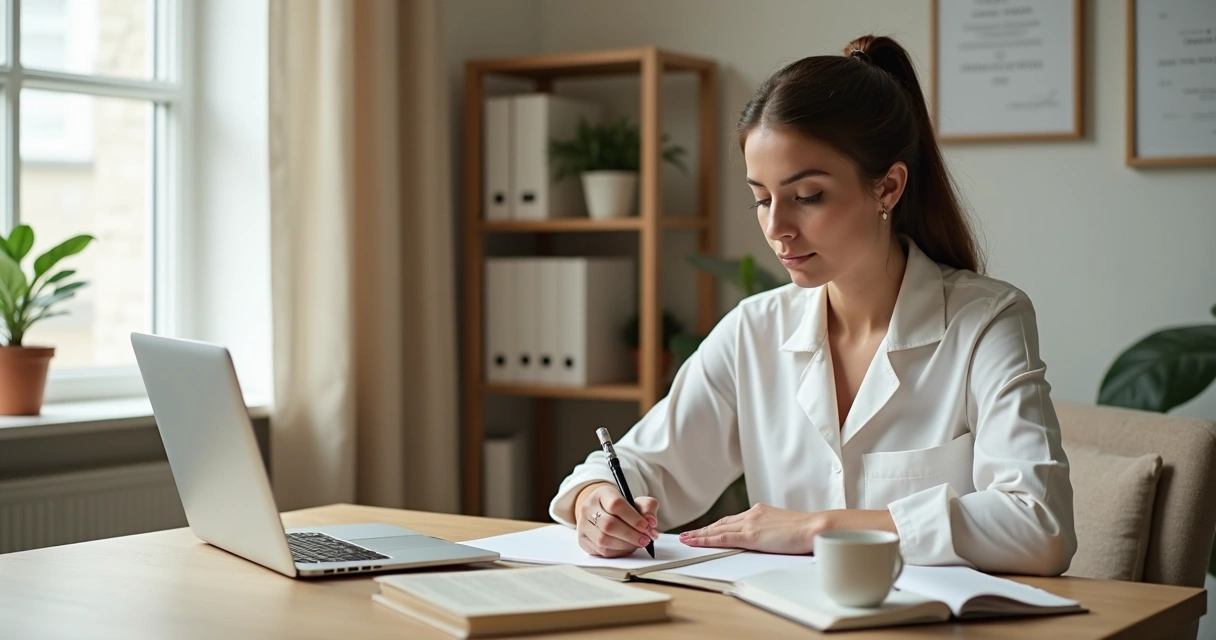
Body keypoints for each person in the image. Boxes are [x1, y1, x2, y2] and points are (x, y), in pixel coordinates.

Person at [548, 35, 1076, 575]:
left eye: (807, 197)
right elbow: (641, 465)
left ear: (888, 188)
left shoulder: (986, 322)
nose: (776, 228)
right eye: (761, 198)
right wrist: (596, 502)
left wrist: (817, 527)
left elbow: (1038, 525)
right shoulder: (753, 331)